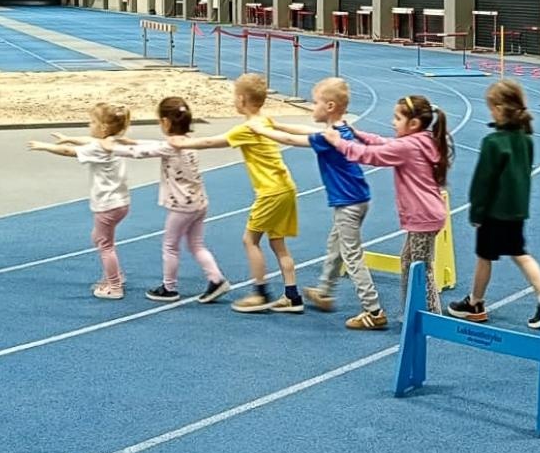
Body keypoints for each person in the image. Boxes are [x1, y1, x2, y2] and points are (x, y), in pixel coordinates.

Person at [249, 77, 386, 330]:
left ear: (330, 106)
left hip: (348, 203)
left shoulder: (328, 138)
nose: (313, 107)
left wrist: (262, 131)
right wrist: (277, 124)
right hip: (357, 198)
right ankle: (324, 291)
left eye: (315, 103)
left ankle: (373, 310)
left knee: (351, 255)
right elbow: (305, 131)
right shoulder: (341, 129)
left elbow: (292, 141)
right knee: (336, 246)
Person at [169, 73, 302, 314]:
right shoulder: (265, 121)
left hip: (271, 192)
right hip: (286, 187)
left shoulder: (247, 128)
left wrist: (182, 143)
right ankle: (292, 296)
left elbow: (212, 142)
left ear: (241, 99)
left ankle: (260, 294)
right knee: (278, 243)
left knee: (250, 240)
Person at [324, 94, 451, 315]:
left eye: (397, 118)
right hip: (426, 215)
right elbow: (384, 142)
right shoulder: (421, 139)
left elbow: (371, 155)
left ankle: (432, 317)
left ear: (413, 123)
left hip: (424, 216)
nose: (392, 122)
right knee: (408, 262)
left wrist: (339, 143)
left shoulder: (409, 147)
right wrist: (356, 133)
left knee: (422, 270)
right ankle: (413, 312)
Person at [449, 80, 540, 329]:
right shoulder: (526, 140)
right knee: (520, 254)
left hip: (494, 213)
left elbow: (482, 182)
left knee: (484, 257)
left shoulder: (493, 142)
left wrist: (476, 212)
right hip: (517, 211)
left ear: (498, 109)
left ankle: (475, 303)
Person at [110, 97, 231, 304]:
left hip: (181, 207)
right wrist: (131, 141)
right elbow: (154, 145)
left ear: (165, 122)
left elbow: (139, 153)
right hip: (199, 202)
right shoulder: (188, 142)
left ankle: (169, 287)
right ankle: (216, 278)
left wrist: (109, 147)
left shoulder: (171, 146)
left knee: (170, 246)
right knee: (196, 244)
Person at [29, 103, 135, 300]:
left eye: (92, 122)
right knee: (100, 238)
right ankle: (115, 275)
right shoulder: (114, 141)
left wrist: (46, 146)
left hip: (107, 205)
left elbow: (69, 152)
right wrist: (69, 138)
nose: (89, 125)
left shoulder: (99, 149)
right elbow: (89, 140)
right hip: (121, 202)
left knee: (105, 244)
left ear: (103, 127)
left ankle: (114, 285)